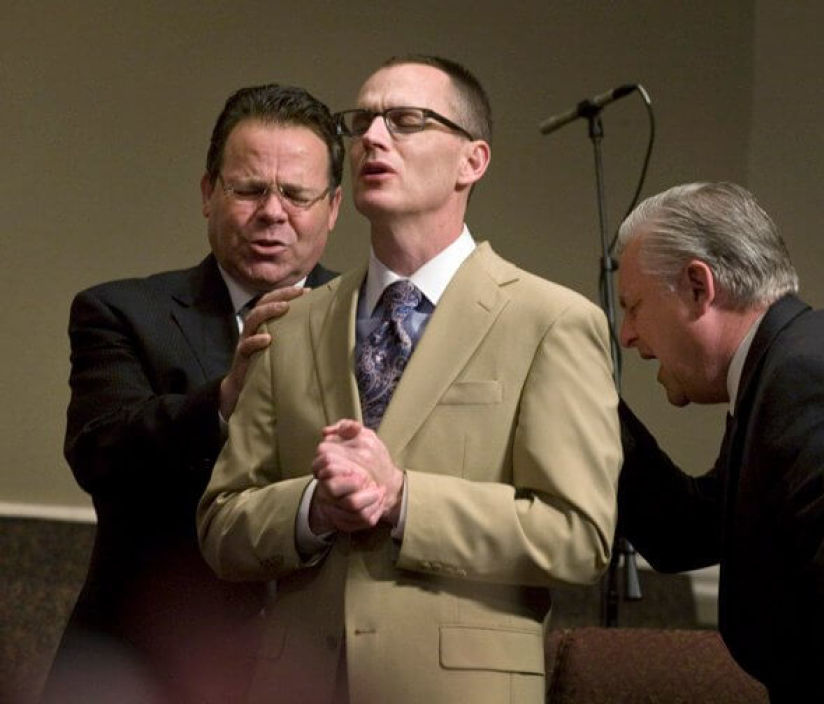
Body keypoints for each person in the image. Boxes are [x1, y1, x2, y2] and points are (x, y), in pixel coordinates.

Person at [197, 55, 621, 704]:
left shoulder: (551, 322)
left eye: (406, 121)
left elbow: (579, 539)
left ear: (472, 161)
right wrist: (313, 509)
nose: (371, 136)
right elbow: (222, 526)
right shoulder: (291, 321)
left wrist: (403, 499)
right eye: (362, 120)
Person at [43, 84, 343, 704]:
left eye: (296, 194)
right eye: (250, 189)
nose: (273, 212)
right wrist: (227, 395)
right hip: (145, 664)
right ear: (208, 193)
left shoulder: (373, 322)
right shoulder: (122, 311)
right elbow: (100, 453)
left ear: (333, 208)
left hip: (315, 669)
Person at [615, 181, 824, 702]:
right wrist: (584, 403)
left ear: (699, 287)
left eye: (633, 306)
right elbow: (685, 532)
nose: (627, 335)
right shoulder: (776, 372)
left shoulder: (812, 380)